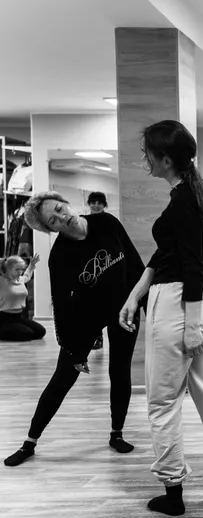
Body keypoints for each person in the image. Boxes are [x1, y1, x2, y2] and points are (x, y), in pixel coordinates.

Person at [118, 120, 203, 516]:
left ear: (165, 159)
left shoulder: (184, 202)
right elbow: (168, 254)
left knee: (162, 402)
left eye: (148, 154)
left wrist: (192, 325)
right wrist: (135, 294)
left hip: (182, 305)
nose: (145, 159)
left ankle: (173, 491)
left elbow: (192, 265)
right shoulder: (195, 194)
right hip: (201, 301)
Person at [4, 191, 143, 467]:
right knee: (63, 377)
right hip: (86, 318)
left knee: (119, 370)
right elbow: (62, 304)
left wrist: (146, 306)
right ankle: (30, 441)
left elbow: (136, 266)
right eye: (53, 220)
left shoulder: (108, 223)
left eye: (59, 208)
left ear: (66, 202)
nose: (62, 217)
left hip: (123, 311)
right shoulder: (60, 256)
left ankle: (116, 433)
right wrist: (71, 347)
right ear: (50, 229)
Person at [0, 255, 45, 341]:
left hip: (18, 317)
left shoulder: (20, 280)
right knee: (27, 334)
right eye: (17, 269)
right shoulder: (2, 281)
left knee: (40, 332)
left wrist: (31, 265)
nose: (20, 272)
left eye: (21, 269)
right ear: (8, 269)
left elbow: (27, 275)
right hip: (4, 318)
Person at [87, 192, 109, 349]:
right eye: (93, 202)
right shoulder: (84, 221)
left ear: (104, 205)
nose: (96, 205)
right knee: (91, 305)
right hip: (89, 268)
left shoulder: (109, 221)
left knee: (102, 304)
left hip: (105, 267)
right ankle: (94, 337)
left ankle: (99, 337)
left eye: (99, 202)